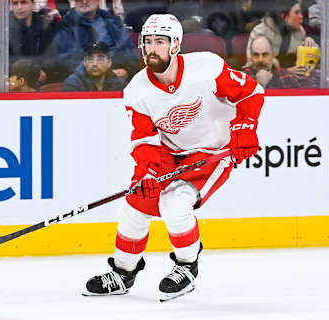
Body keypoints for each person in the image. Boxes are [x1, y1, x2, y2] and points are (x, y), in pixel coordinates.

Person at [83, 14, 264, 302]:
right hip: (170, 153)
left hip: (212, 154)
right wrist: (146, 173)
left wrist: (245, 127)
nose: (152, 48)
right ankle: (122, 272)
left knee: (175, 204)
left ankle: (186, 265)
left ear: (176, 45)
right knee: (135, 204)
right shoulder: (136, 91)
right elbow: (144, 140)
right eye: (147, 42)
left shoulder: (207, 67)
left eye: (160, 41)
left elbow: (251, 92)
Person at [56, 0, 140, 81]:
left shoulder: (113, 22)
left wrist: (127, 71)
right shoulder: (64, 26)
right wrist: (104, 72)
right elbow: (66, 62)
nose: (84, 1)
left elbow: (131, 54)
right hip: (84, 83)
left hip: (117, 79)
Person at [0, 0, 58, 79]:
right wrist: (21, 72)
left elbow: (52, 56)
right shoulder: (1, 28)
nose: (19, 7)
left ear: (33, 5)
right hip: (12, 80)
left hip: (39, 78)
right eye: (15, 3)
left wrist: (44, 71)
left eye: (23, 2)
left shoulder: (45, 26)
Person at [246, 0, 317, 68]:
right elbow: (253, 63)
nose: (301, 16)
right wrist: (285, 71)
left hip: (288, 78)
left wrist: (310, 44)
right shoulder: (260, 31)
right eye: (296, 13)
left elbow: (318, 58)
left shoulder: (298, 32)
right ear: (283, 17)